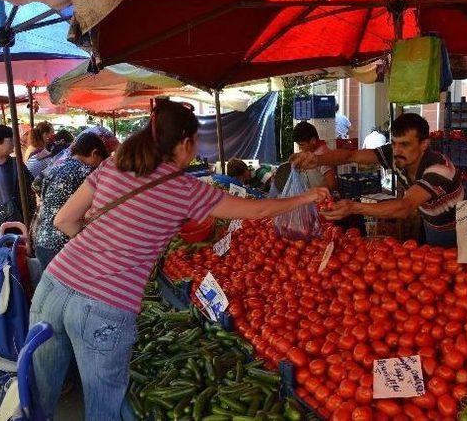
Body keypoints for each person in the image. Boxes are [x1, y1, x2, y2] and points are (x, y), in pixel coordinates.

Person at [28, 99, 329, 420]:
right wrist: (307, 196)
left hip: (54, 283)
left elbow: (64, 220)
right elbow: (256, 211)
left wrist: (104, 249)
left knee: (37, 395)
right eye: (196, 142)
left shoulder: (113, 165)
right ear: (185, 144)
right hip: (105, 305)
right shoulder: (183, 188)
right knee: (103, 407)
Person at [292, 113, 464, 247]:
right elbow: (351, 155)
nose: (396, 151)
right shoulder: (396, 155)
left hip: (455, 230)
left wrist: (353, 207)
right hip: (430, 222)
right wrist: (318, 160)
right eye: (395, 143)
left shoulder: (439, 169)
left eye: (405, 144)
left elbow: (405, 207)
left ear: (424, 144)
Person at [33, 133, 110, 269]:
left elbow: (36, 185)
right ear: (94, 153)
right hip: (62, 244)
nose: (99, 167)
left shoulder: (56, 166)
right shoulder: (87, 172)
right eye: (100, 161)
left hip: (41, 239)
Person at [293, 121, 337, 191]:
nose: (300, 148)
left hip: (323, 199)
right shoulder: (309, 153)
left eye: (302, 145)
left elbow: (332, 185)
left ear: (313, 141)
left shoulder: (323, 155)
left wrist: (315, 192)